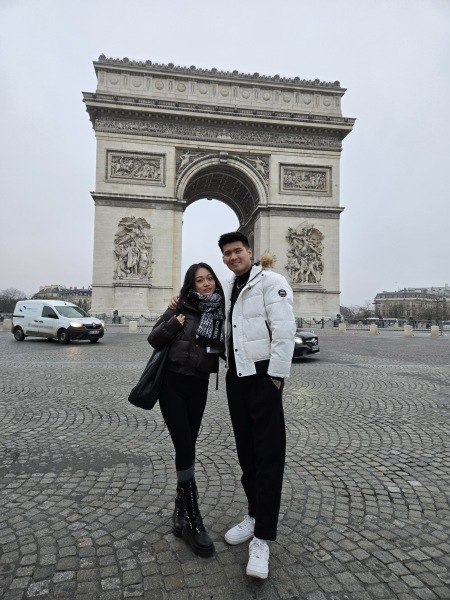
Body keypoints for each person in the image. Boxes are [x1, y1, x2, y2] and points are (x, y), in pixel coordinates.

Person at [218, 232, 296, 580]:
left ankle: (262, 537)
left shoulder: (272, 282)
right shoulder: (227, 286)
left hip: (264, 377)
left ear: (249, 252)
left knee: (268, 456)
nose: (233, 257)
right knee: (247, 454)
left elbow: (284, 329)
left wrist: (275, 377)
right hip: (236, 377)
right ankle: (252, 514)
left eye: (237, 251)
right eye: (227, 253)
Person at [148, 263, 225, 558]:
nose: (206, 284)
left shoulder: (222, 310)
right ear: (191, 285)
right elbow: (154, 338)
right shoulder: (179, 306)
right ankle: (193, 517)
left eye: (209, 279)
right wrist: (173, 324)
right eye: (199, 280)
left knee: (189, 447)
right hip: (172, 385)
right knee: (184, 446)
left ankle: (179, 513)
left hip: (199, 386)